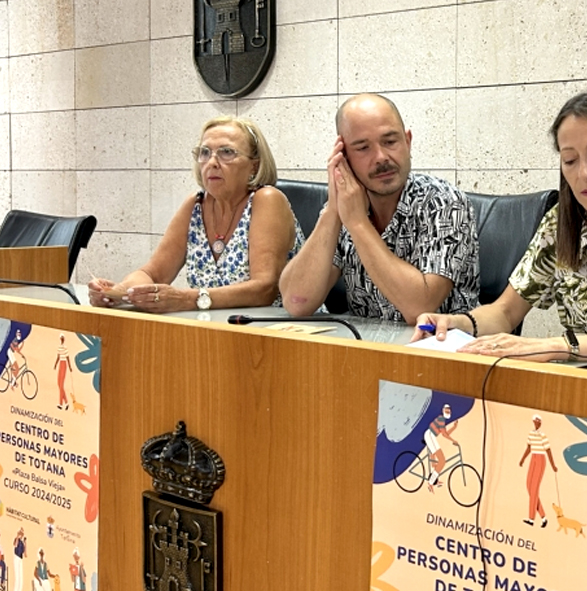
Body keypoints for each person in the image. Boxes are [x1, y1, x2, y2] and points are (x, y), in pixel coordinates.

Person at [413, 88, 587, 361]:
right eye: (569, 160)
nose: (584, 173)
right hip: (581, 386)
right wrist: (457, 323)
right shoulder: (560, 224)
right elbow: (506, 312)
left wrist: (558, 346)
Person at [279, 93, 479, 323]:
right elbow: (297, 302)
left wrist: (357, 224)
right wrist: (334, 211)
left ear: (408, 142)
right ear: (344, 157)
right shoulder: (347, 206)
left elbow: (419, 308)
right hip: (367, 350)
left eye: (390, 142)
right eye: (363, 148)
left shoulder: (444, 203)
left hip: (436, 350)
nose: (381, 157)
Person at [87, 116, 304, 312]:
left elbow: (264, 288)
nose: (212, 163)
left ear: (254, 167)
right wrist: (121, 292)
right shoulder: (196, 204)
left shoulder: (266, 200)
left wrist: (188, 299)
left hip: (277, 331)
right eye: (205, 152)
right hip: (213, 332)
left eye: (227, 152)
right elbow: (153, 274)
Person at [519, 414, 557, 527]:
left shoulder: (543, 435)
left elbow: (548, 450)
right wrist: (523, 459)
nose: (536, 423)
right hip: (533, 458)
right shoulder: (531, 434)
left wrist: (553, 465)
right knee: (529, 487)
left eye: (538, 422)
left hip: (541, 459)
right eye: (535, 421)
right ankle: (543, 517)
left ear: (540, 423)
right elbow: (529, 448)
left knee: (534, 488)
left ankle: (531, 518)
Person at [423, 404, 459, 491]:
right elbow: (444, 434)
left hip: (431, 436)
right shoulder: (441, 419)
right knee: (442, 461)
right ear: (443, 410)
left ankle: (435, 480)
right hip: (430, 436)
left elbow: (445, 433)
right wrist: (453, 440)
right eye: (446, 410)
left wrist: (454, 427)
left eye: (449, 410)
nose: (448, 411)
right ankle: (430, 483)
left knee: (436, 462)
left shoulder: (442, 420)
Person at [53, 334, 71, 410]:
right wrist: (55, 364)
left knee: (61, 385)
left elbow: (67, 357)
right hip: (60, 363)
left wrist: (70, 366)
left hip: (64, 364)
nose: (62, 339)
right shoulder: (59, 347)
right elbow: (58, 357)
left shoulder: (65, 347)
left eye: (63, 338)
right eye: (61, 338)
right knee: (58, 383)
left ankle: (60, 403)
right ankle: (66, 402)